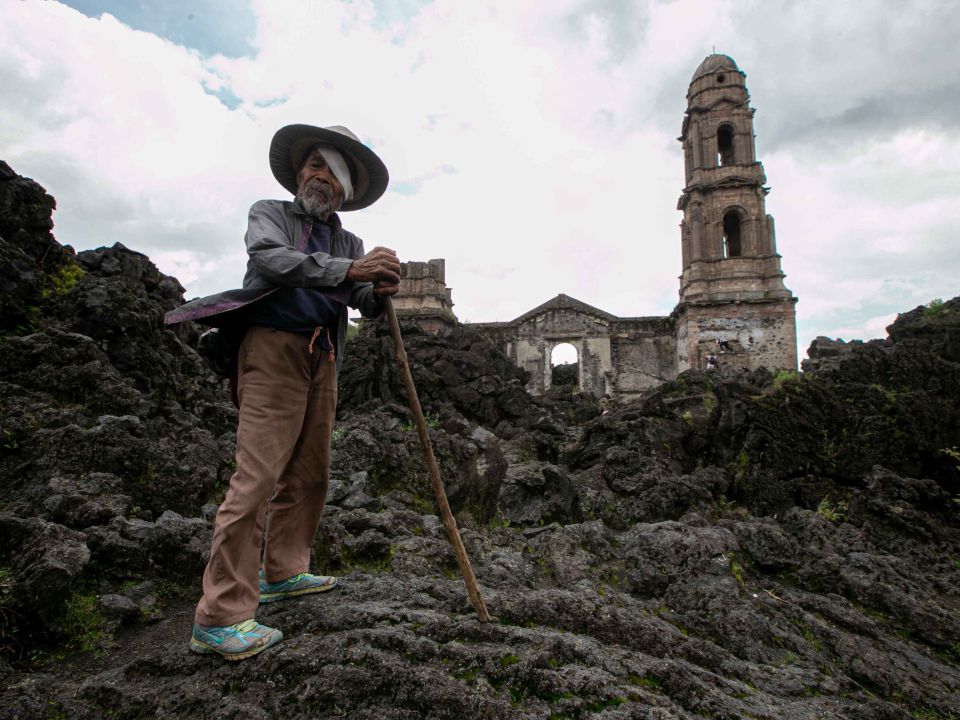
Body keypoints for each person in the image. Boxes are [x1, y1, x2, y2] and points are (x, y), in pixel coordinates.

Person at [164, 124, 401, 660]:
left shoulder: (347, 240)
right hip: (271, 349)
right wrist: (351, 270)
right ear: (300, 172)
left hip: (324, 355)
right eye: (313, 164)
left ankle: (285, 570)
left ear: (344, 188)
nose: (319, 175)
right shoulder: (269, 213)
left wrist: (379, 288)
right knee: (256, 477)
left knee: (310, 472)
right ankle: (220, 616)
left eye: (332, 171)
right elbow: (270, 259)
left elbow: (359, 295)